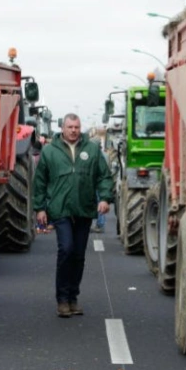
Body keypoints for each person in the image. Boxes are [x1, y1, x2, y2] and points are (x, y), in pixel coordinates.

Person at [33, 113, 114, 318]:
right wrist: (40, 208)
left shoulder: (92, 150)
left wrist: (104, 198)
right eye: (70, 127)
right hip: (60, 210)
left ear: (80, 128)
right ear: (63, 128)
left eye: (76, 127)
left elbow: (103, 176)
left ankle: (73, 297)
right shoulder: (50, 151)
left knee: (78, 255)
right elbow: (40, 181)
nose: (73, 131)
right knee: (66, 249)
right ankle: (62, 299)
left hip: (83, 209)